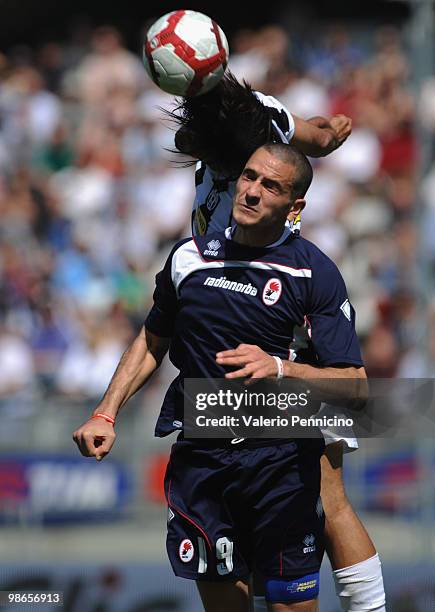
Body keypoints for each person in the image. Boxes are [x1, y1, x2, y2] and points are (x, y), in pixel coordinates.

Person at [74, 143, 367, 611]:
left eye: (270, 186)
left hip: (282, 467)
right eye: (249, 177)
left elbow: (355, 384)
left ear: (295, 207)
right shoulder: (188, 257)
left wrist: (279, 368)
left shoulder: (313, 271)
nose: (251, 192)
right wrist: (105, 414)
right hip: (203, 466)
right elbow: (152, 340)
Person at [171, 73, 386, 612]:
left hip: (286, 322)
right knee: (314, 500)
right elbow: (319, 135)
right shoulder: (266, 114)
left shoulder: (242, 169)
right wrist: (331, 129)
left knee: (323, 493)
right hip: (265, 320)